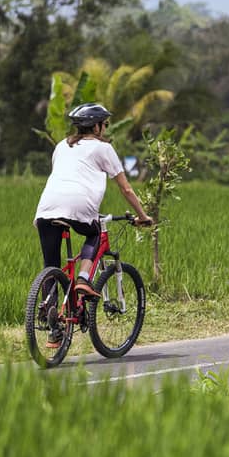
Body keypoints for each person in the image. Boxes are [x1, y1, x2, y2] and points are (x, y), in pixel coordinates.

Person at [33, 102, 153, 305]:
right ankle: (84, 279)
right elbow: (126, 189)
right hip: (79, 205)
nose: (105, 128)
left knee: (50, 265)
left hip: (46, 208)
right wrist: (143, 216)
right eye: (104, 124)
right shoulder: (103, 148)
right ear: (96, 127)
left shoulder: (62, 145)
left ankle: (50, 319)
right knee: (95, 232)